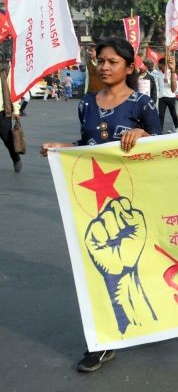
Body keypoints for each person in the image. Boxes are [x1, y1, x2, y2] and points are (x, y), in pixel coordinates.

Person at [40, 37, 161, 372]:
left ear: (129, 67)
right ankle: (101, 341)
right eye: (101, 61)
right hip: (93, 201)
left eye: (112, 61)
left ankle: (152, 318)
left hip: (132, 199)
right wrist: (61, 148)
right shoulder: (88, 103)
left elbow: (165, 146)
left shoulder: (141, 103)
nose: (105, 67)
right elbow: (87, 144)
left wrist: (144, 136)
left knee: (139, 264)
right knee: (97, 268)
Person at [0, 62, 23, 172]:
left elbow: (13, 92)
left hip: (3, 112)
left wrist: (16, 109)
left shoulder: (5, 71)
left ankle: (15, 158)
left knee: (7, 139)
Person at [153, 57, 178, 132]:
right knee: (161, 115)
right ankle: (160, 130)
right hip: (161, 97)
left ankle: (176, 128)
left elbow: (174, 86)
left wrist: (168, 82)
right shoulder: (159, 74)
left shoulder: (171, 73)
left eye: (159, 64)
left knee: (173, 114)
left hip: (170, 96)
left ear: (163, 64)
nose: (157, 65)